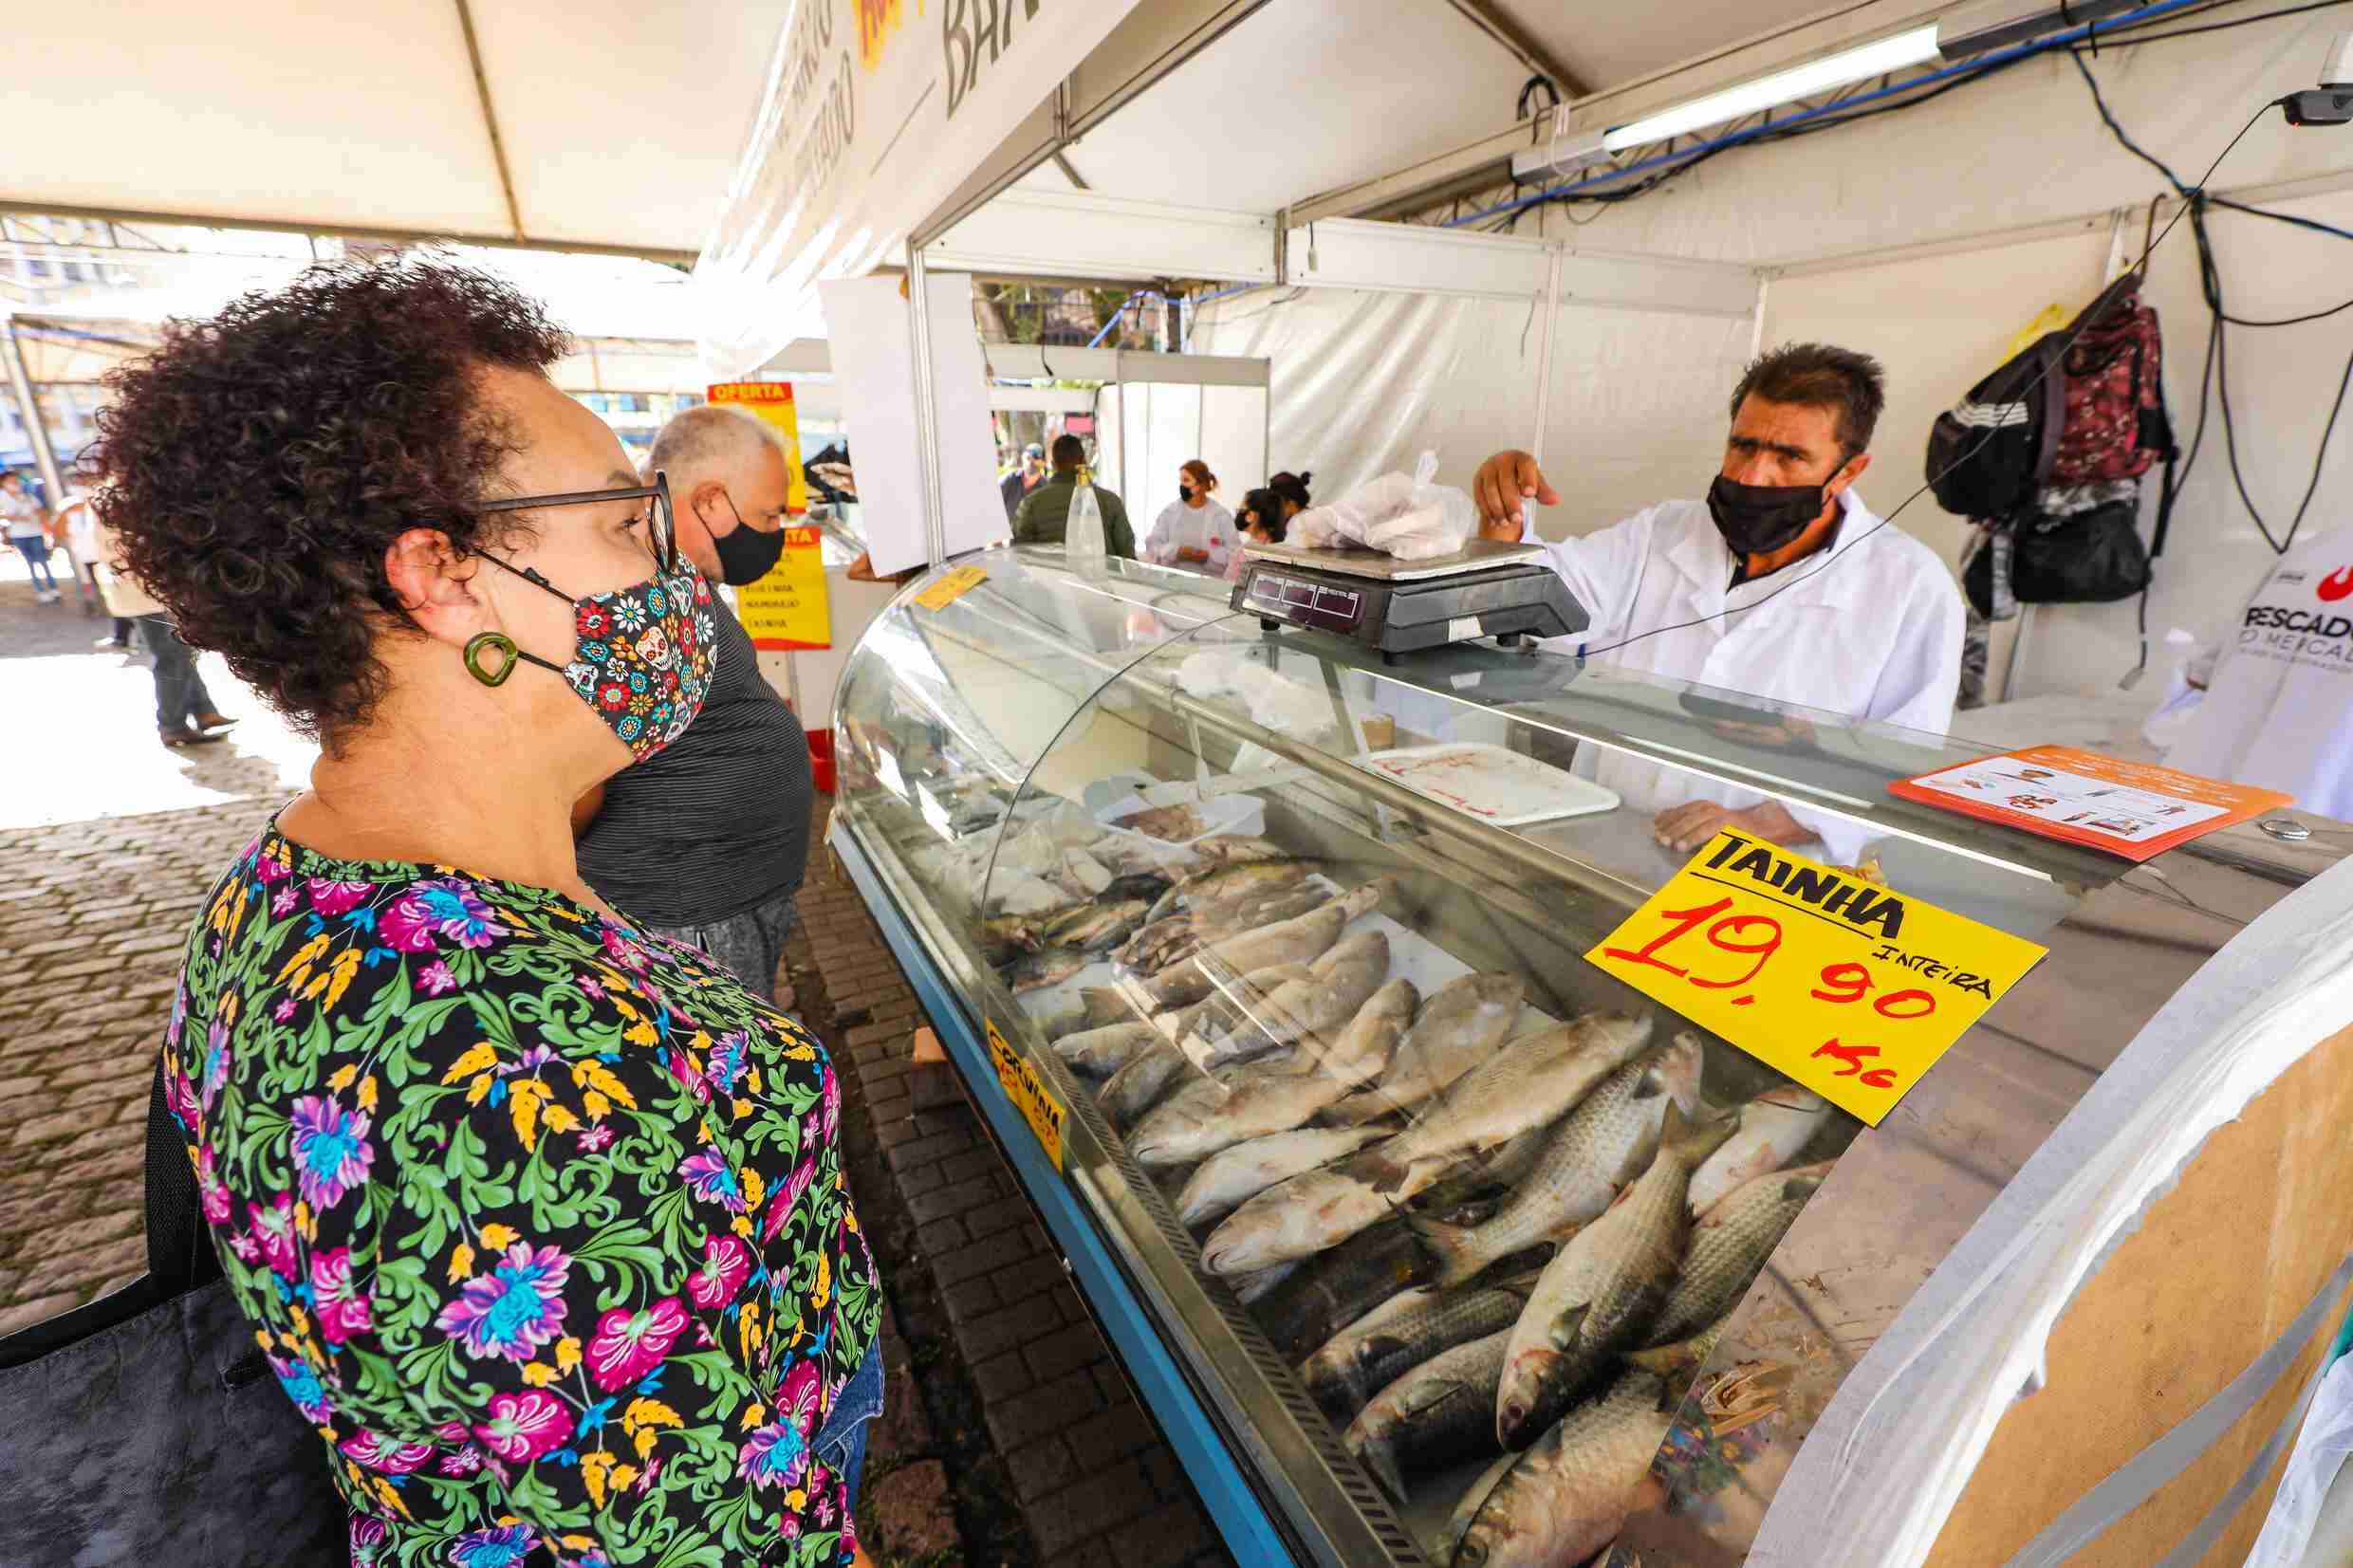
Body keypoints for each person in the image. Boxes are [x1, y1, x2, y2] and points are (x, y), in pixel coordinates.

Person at [91, 261, 880, 1566]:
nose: (672, 577)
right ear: (444, 577)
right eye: (627, 528)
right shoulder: (533, 1079)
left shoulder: (293, 890)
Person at [1474, 342, 1963, 856]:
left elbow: (1902, 759)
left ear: (1848, 471)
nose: (1753, 475)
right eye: (1744, 446)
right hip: (1605, 831)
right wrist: (1502, 522)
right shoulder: (1661, 533)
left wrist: (1759, 825)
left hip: (1763, 878)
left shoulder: (1910, 585)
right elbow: (1534, 603)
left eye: (1789, 456)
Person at [574, 403, 815, 1007]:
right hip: (690, 919)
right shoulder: (634, 589)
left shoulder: (674, 574)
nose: (772, 532)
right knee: (719, 1080)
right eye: (766, 514)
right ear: (710, 499)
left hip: (722, 903)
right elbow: (574, 783)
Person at [2159, 528, 2353, 816]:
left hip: (2196, 795)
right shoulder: (2310, 550)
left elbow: (2202, 673)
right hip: (2211, 796)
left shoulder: (2312, 549)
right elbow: (2205, 672)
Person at [1012, 434, 1136, 558]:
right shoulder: (1110, 501)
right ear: (1083, 461)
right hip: (1101, 575)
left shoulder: (1030, 504)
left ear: (1053, 465)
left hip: (1050, 576)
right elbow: (1128, 556)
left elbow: (1021, 556)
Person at [1143, 459, 1238, 573]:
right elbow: (1153, 544)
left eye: (1186, 480)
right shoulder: (1170, 512)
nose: (1182, 485)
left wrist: (1209, 557)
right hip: (1173, 580)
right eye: (1181, 480)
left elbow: (1235, 555)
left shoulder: (1221, 516)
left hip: (1210, 583)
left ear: (1201, 484)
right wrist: (1176, 552)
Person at [1226, 473, 1313, 583]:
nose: (1274, 510)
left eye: (1278, 505)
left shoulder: (1303, 525)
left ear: (1291, 503)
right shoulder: (1250, 548)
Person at [2, 470, 59, 602]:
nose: (15, 483)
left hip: (35, 532)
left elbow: (41, 510)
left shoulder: (28, 495)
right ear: (4, 483)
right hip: (18, 534)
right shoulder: (2, 497)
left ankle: (53, 589)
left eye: (16, 480)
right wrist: (16, 517)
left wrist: (49, 528)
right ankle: (40, 590)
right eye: (11, 481)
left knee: (43, 560)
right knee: (30, 562)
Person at [999, 441, 1046, 521]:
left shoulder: (1046, 487)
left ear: (1043, 462)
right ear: (1022, 458)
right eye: (1028, 457)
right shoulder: (1009, 480)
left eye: (1036, 457)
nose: (1031, 461)